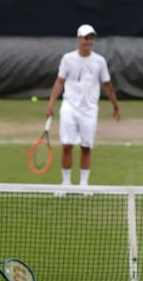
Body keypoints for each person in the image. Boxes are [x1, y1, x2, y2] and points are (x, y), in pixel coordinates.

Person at [45, 24, 121, 187]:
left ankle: (84, 185)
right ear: (79, 39)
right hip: (69, 107)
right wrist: (50, 104)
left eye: (91, 38)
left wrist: (115, 105)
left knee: (86, 147)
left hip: (89, 110)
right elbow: (59, 82)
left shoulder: (99, 61)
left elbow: (107, 85)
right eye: (86, 38)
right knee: (67, 146)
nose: (89, 41)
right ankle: (65, 183)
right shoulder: (67, 59)